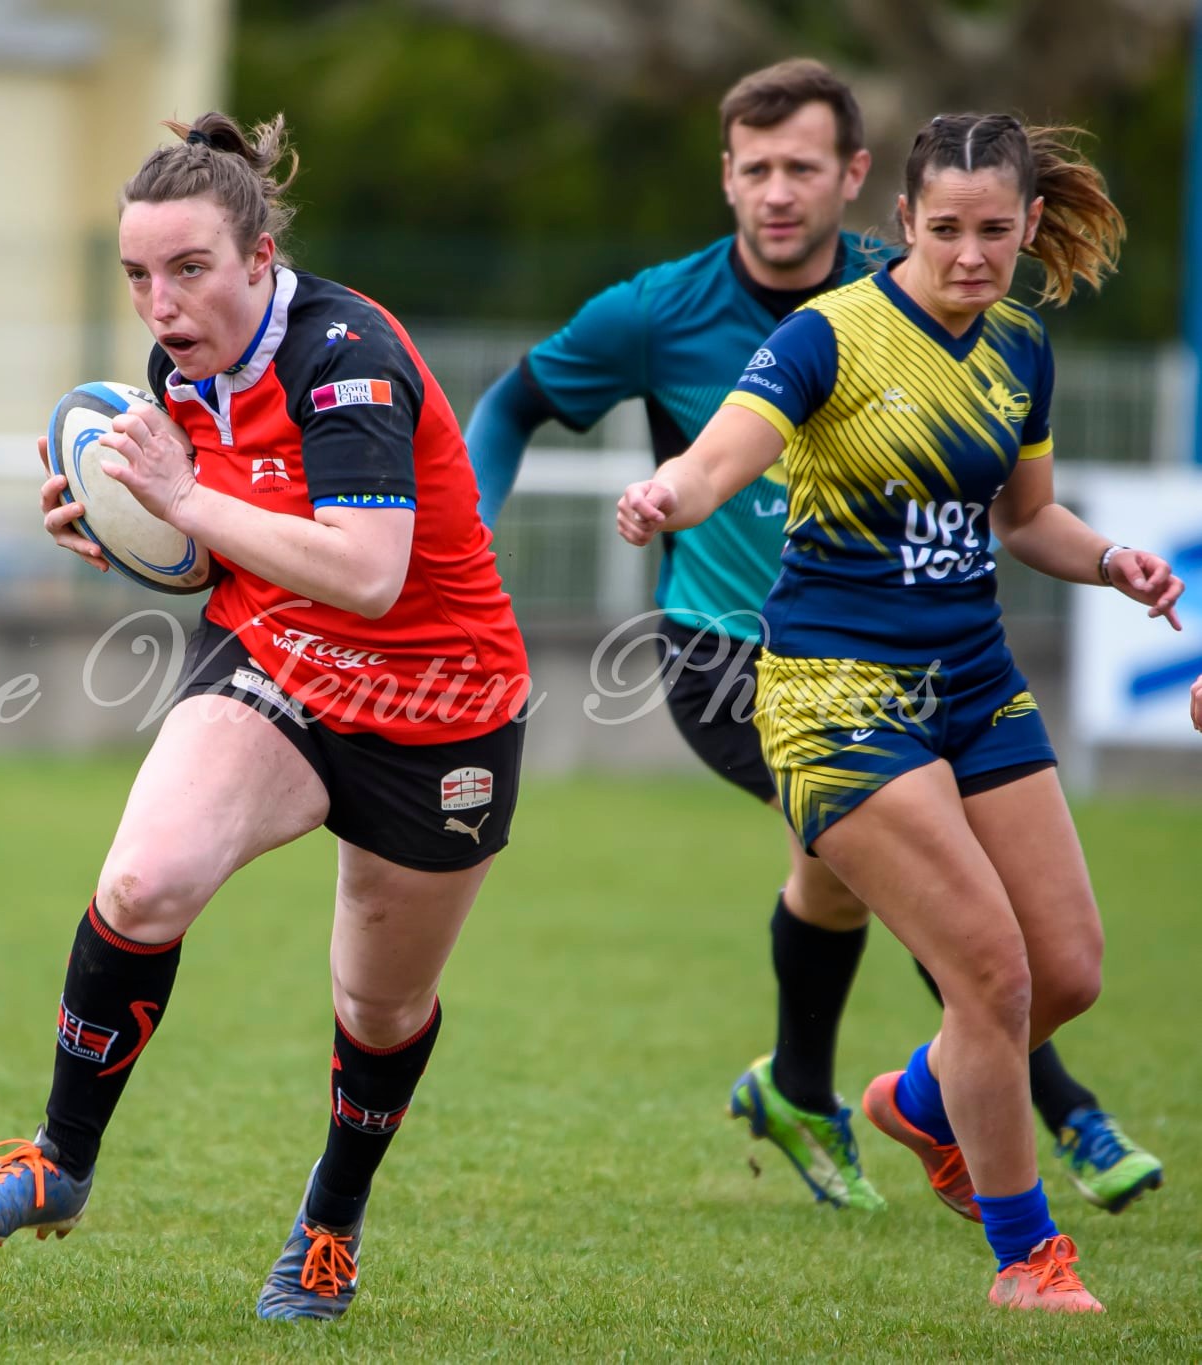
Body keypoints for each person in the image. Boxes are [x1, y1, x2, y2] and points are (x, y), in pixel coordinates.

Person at [467, 59, 1162, 1217]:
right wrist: (582, 518)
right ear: (727, 177)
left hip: (935, 667)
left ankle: (807, 1085)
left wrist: (1104, 560)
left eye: (802, 167)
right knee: (945, 904)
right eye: (755, 169)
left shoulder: (961, 311)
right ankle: (1061, 1127)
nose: (777, 192)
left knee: (853, 882)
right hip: (735, 654)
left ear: (854, 182)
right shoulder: (681, 314)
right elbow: (561, 417)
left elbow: (1024, 515)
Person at [0, 111, 531, 1323]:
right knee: (142, 883)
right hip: (278, 668)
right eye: (138, 275)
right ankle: (59, 1158)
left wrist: (184, 500)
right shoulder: (180, 369)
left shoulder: (346, 357)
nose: (160, 302)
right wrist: (127, 535)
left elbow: (365, 571)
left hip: (436, 709)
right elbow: (225, 551)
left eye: (188, 268)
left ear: (260, 259)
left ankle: (328, 1225)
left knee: (378, 1006)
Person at [616, 113, 1183, 1312]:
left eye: (994, 231)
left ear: (1029, 224)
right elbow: (722, 457)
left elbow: (1026, 520)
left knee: (1065, 973)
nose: (971, 255)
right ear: (901, 225)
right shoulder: (829, 333)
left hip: (972, 681)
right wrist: (668, 490)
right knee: (990, 973)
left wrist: (1114, 559)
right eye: (943, 232)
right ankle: (1028, 1260)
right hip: (833, 692)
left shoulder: (1021, 348)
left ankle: (918, 1101)